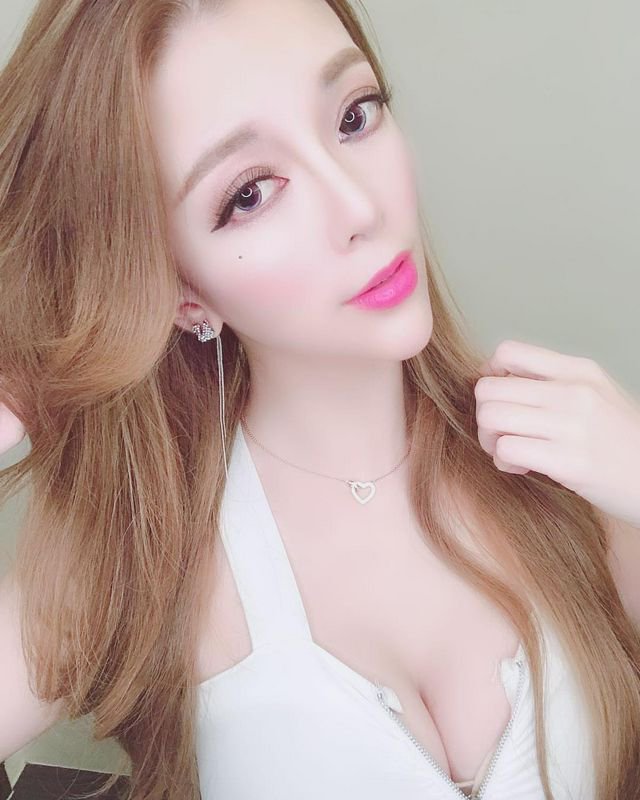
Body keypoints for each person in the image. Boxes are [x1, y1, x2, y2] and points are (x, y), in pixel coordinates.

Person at [0, 1, 639, 799]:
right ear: (182, 293)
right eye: (250, 193)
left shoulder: (568, 465)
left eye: (354, 116)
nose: (360, 206)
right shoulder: (135, 553)